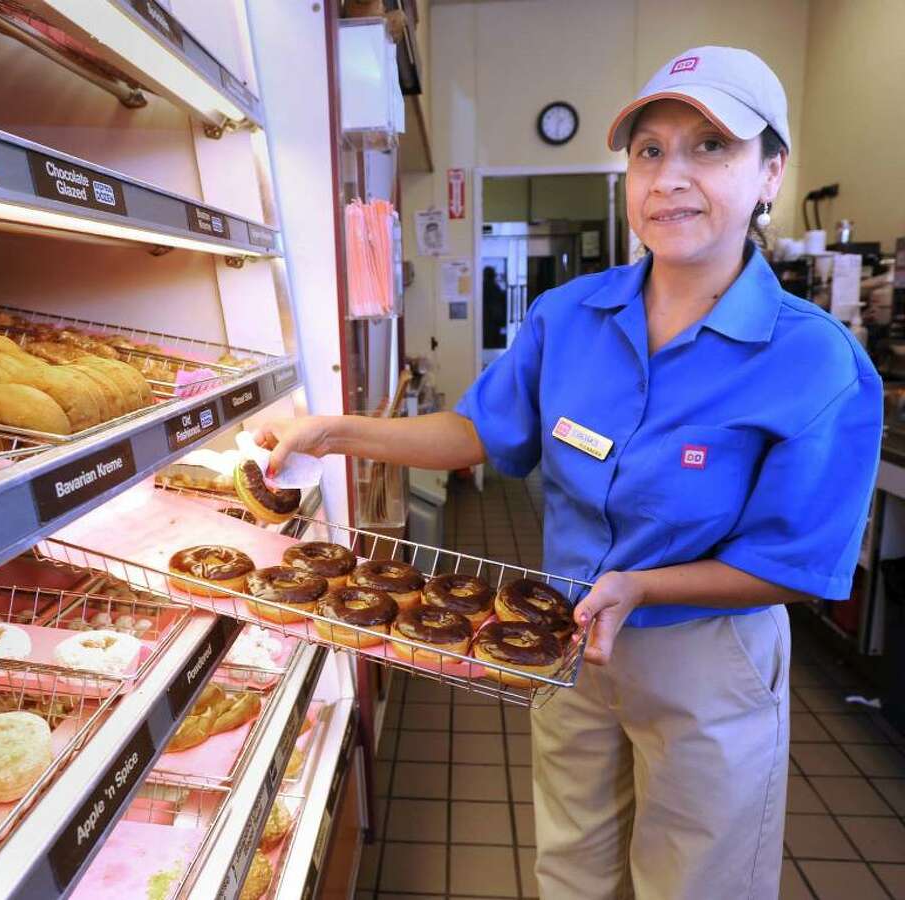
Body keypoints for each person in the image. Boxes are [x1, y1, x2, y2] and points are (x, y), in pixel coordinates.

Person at [257, 46, 882, 899]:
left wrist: (643, 589)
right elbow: (478, 431)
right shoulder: (570, 316)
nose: (670, 177)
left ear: (771, 173)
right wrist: (339, 431)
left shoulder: (817, 361)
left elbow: (790, 566)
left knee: (696, 879)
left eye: (710, 148)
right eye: (650, 151)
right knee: (570, 865)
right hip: (566, 636)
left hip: (706, 653)